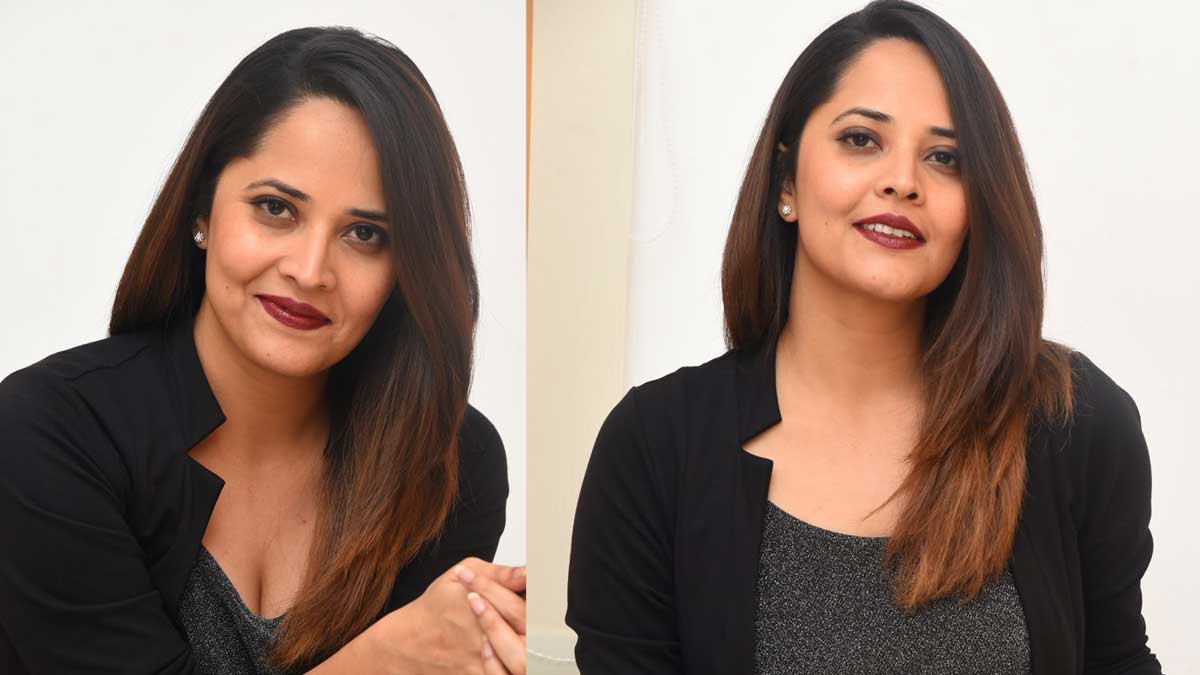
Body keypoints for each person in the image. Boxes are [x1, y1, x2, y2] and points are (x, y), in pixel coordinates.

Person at [565, 2, 1161, 673]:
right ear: (786, 181)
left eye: (945, 158)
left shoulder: (1072, 423)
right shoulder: (654, 446)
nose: (902, 181)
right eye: (860, 139)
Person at [0, 27, 525, 675]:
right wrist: (384, 660)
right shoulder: (49, 430)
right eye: (276, 208)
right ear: (203, 210)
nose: (310, 270)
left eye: (365, 234)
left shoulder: (449, 461)